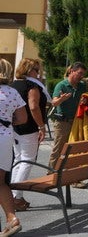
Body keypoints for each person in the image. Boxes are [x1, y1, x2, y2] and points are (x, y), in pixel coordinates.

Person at [10, 59, 47, 212]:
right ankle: (16, 197)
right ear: (29, 70)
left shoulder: (13, 85)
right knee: (27, 161)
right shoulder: (32, 86)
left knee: (18, 160)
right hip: (29, 127)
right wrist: (41, 126)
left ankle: (14, 194)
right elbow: (34, 106)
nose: (38, 73)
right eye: (36, 69)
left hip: (15, 127)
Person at [0, 59, 27, 236]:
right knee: (1, 182)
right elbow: (23, 118)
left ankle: (11, 219)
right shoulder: (12, 92)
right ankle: (12, 218)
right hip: (5, 136)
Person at [48, 62, 88, 169]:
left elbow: (86, 98)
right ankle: (51, 172)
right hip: (62, 122)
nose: (81, 76)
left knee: (74, 149)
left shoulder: (82, 86)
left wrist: (84, 100)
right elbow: (54, 103)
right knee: (58, 148)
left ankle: (70, 174)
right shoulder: (61, 85)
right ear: (71, 71)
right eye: (79, 73)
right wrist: (62, 99)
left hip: (75, 122)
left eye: (83, 74)